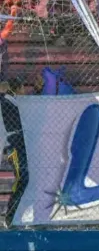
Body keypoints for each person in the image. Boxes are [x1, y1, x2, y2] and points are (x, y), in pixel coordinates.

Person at [0, 77, 28, 229]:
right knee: (22, 178)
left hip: (19, 145)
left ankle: (13, 215)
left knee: (23, 178)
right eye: (23, 88)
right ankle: (10, 217)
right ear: (17, 89)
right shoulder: (6, 103)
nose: (24, 91)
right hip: (14, 146)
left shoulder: (14, 103)